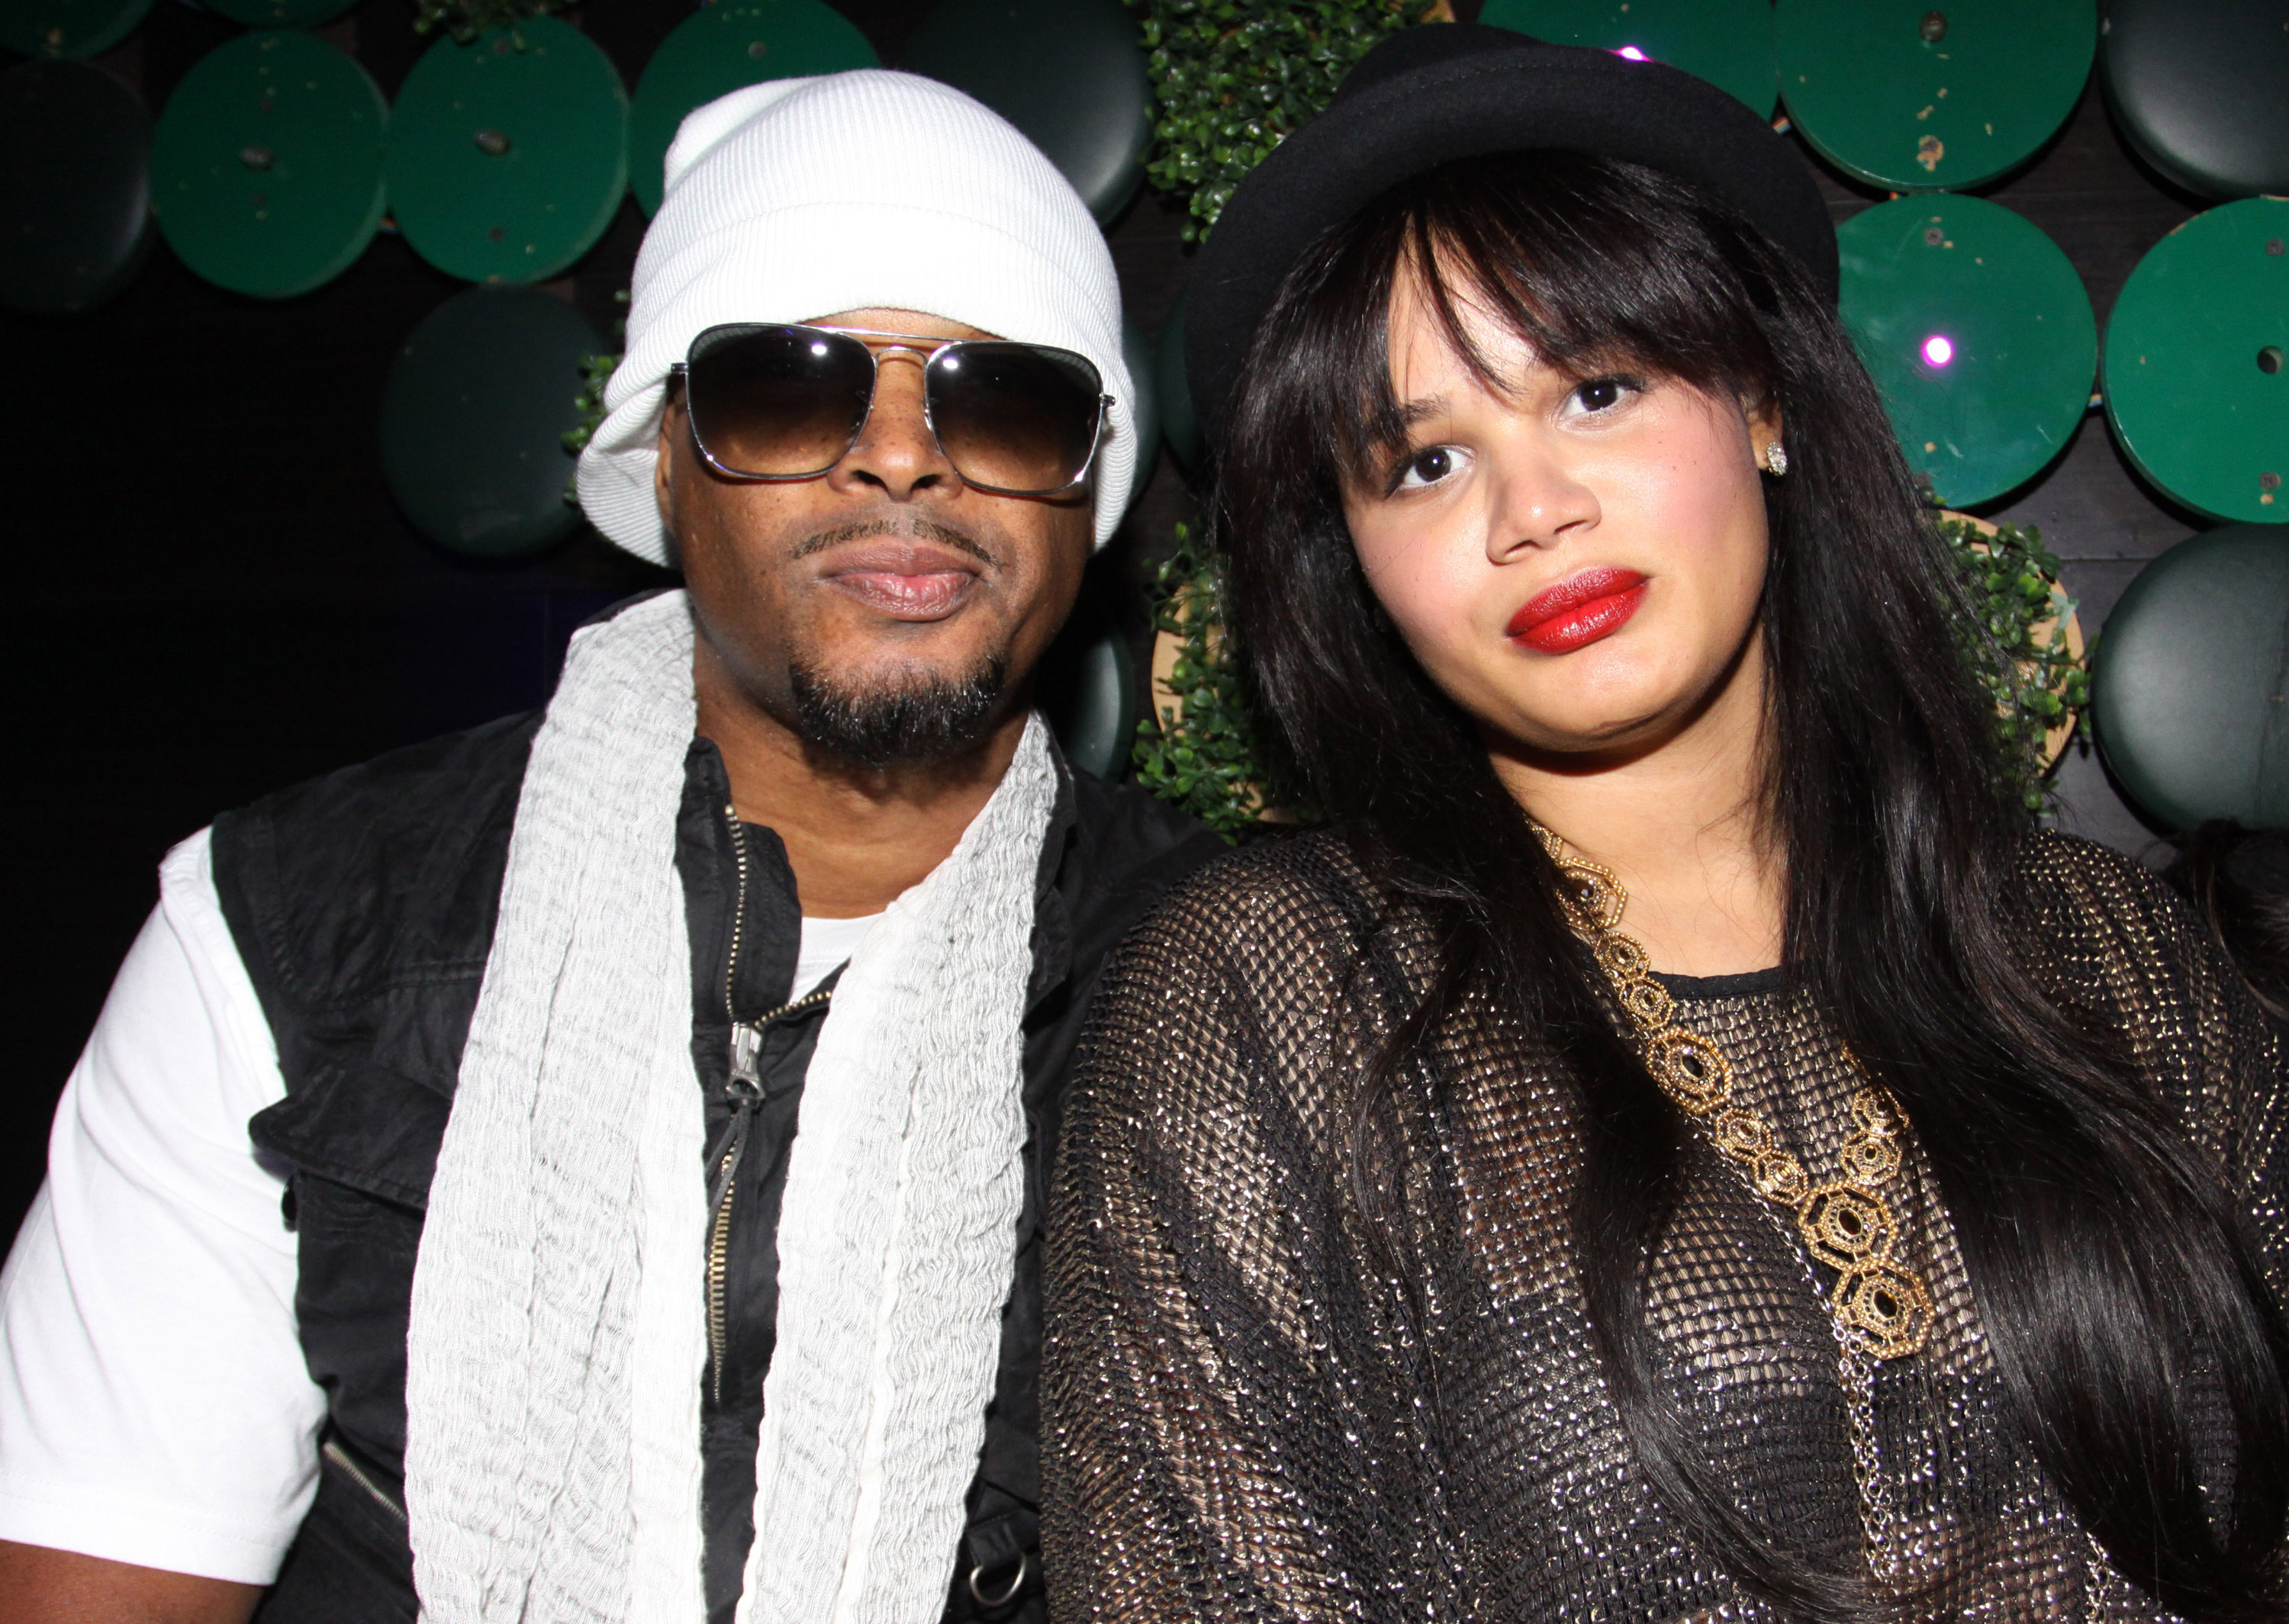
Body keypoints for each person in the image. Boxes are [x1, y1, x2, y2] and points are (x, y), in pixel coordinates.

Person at [1044, 25, 2289, 1622]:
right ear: (1353, 558)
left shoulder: (2127, 969)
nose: (1531, 508)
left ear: (1761, 397)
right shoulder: (1271, 1012)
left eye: (1598, 388)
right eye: (1425, 459)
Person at [0, 71, 1220, 1624]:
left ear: (1084, 488)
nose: (903, 456)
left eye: (1003, 398)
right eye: (792, 385)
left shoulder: (1236, 981)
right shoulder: (291, 930)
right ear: (661, 454)